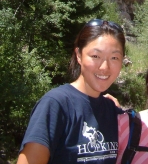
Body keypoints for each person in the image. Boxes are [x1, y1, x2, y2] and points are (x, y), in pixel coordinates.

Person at [17, 19, 126, 164]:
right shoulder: (56, 104)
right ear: (79, 55)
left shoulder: (112, 111)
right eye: (95, 56)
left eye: (114, 58)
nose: (104, 67)